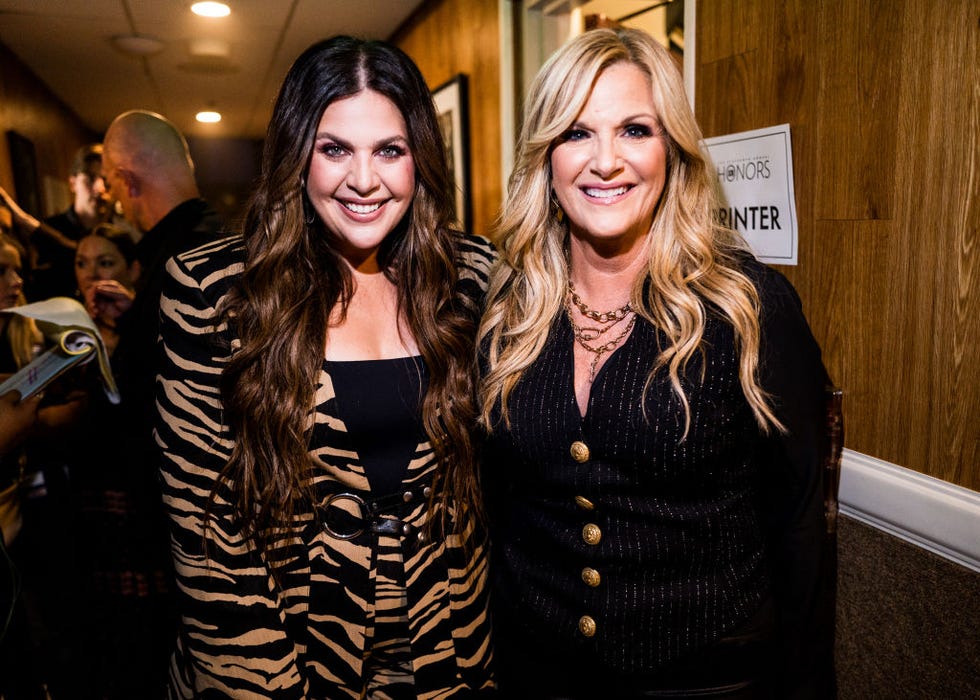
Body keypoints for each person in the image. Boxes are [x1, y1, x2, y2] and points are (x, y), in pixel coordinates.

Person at [478, 28, 834, 699]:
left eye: (635, 130)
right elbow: (501, 509)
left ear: (671, 150)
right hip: (537, 670)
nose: (605, 161)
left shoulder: (747, 307)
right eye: (576, 133)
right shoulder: (508, 309)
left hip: (709, 678)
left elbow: (800, 519)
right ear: (546, 158)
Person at [155, 36, 495, 698]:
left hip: (447, 662)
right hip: (282, 663)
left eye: (389, 151)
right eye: (334, 149)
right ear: (295, 155)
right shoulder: (213, 291)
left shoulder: (473, 277)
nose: (363, 180)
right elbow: (209, 544)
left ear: (420, 159)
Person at [71, 110, 225, 698]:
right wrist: (131, 319)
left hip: (187, 518)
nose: (114, 201)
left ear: (128, 181)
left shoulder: (185, 261)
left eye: (112, 186)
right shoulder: (198, 241)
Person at [31, 143, 112, 301]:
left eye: (105, 180)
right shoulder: (48, 231)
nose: (100, 188)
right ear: (73, 183)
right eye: (90, 178)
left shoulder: (121, 234)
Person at [74, 223, 140, 355]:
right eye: (81, 263)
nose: (91, 274)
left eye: (105, 263)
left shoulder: (156, 321)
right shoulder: (67, 328)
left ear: (133, 270)